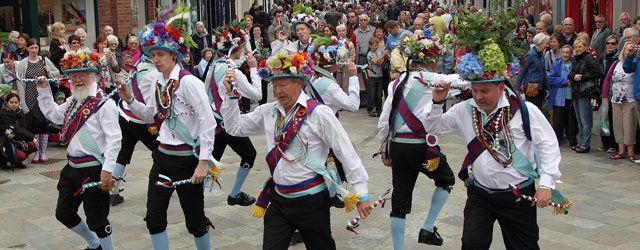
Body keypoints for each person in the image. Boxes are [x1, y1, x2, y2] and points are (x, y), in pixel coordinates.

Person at [219, 51, 372, 250]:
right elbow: (234, 128)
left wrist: (362, 193)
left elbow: (346, 152)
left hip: (311, 202)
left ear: (299, 83)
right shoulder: (268, 111)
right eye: (274, 85)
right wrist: (230, 96)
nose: (278, 90)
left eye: (283, 84)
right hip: (279, 200)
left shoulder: (319, 113)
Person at [428, 80, 562, 250]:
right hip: (480, 194)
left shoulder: (524, 110)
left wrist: (545, 184)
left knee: (523, 246)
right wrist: (437, 103)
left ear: (500, 88)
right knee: (471, 244)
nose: (478, 96)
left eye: (484, 91)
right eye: (474, 90)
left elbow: (548, 144)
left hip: (518, 196)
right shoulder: (464, 109)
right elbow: (434, 128)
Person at [118, 16, 215, 249]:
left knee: (195, 221)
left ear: (174, 55)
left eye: (160, 54)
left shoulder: (189, 82)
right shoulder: (155, 81)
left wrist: (203, 162)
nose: (155, 59)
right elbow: (151, 115)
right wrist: (129, 99)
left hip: (187, 162)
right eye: (152, 55)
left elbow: (207, 121)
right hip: (162, 158)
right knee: (154, 219)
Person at [376, 34, 464, 249]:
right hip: (421, 147)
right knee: (446, 180)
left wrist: (384, 150)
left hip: (398, 147)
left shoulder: (395, 82)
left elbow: (384, 121)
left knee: (400, 200)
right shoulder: (437, 79)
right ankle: (427, 227)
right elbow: (466, 81)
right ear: (433, 61)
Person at [36, 48, 121, 250]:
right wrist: (43, 90)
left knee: (97, 221)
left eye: (82, 74)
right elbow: (55, 115)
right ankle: (94, 244)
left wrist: (108, 169)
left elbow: (115, 139)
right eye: (73, 76)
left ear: (92, 75)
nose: (77, 80)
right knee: (63, 213)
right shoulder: (73, 101)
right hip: (72, 168)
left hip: (94, 169)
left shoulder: (103, 104)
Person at [207, 21, 262, 207]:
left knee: (211, 163)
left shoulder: (213, 66)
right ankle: (235, 193)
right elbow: (257, 94)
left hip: (214, 121)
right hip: (228, 121)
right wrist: (254, 68)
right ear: (235, 49)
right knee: (249, 154)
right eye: (241, 47)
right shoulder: (233, 72)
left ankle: (194, 200)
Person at [15, 39, 60, 163]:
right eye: (31, 48)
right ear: (27, 49)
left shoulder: (44, 60)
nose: (34, 50)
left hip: (43, 94)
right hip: (29, 96)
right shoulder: (23, 63)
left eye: (36, 48)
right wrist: (22, 101)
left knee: (43, 123)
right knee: (32, 125)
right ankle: (35, 152)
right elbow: (20, 82)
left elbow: (56, 74)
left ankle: (43, 151)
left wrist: (48, 72)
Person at [604, 42, 638, 161]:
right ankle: (621, 149)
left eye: (631, 50)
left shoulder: (634, 62)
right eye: (627, 50)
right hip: (615, 98)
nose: (629, 52)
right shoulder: (616, 63)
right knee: (617, 125)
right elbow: (608, 79)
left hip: (629, 98)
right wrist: (605, 95)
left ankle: (630, 150)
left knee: (629, 125)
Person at [570, 38, 604, 153]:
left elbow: (598, 71)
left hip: (585, 91)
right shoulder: (576, 59)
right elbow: (571, 72)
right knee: (579, 119)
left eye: (579, 47)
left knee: (585, 120)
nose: (577, 49)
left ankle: (585, 144)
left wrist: (582, 77)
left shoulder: (589, 58)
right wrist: (574, 76)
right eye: (576, 47)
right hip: (576, 91)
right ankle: (581, 142)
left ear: (585, 47)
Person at [548, 45, 579, 147]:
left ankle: (572, 140)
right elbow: (551, 79)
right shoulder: (557, 64)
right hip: (559, 96)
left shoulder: (575, 64)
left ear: (571, 54)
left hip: (571, 95)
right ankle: (557, 140)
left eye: (567, 53)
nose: (565, 54)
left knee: (571, 119)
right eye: (563, 52)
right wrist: (564, 82)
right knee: (558, 119)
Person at [0, 92, 37, 170]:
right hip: (6, 141)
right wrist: (31, 136)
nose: (14, 104)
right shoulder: (3, 113)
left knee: (32, 144)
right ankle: (4, 159)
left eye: (16, 102)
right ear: (6, 103)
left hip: (18, 139)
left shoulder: (20, 112)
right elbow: (16, 128)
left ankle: (17, 161)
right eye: (11, 102)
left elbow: (24, 128)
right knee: (21, 155)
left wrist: (31, 138)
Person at [515, 33, 550, 110]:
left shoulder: (541, 55)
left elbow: (543, 72)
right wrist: (517, 88)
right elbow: (522, 71)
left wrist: (549, 87)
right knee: (533, 110)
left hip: (540, 87)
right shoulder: (530, 55)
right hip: (531, 87)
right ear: (540, 43)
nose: (547, 46)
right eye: (545, 43)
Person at [366, 37, 388, 117]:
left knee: (379, 94)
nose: (376, 47)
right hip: (371, 76)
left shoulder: (379, 52)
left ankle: (379, 110)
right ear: (370, 46)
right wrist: (383, 55)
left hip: (379, 75)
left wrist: (380, 58)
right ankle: (370, 109)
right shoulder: (369, 54)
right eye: (375, 45)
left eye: (377, 45)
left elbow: (380, 63)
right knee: (372, 94)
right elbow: (375, 61)